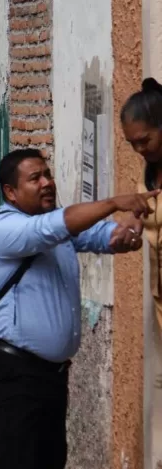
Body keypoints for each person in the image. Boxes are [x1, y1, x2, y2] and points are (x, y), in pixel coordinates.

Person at [0, 148, 151, 469]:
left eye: (48, 174)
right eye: (35, 178)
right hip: (11, 368)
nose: (47, 182)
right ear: (12, 192)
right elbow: (62, 225)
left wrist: (127, 231)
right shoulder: (9, 230)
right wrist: (115, 201)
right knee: (20, 465)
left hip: (47, 373)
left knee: (46, 461)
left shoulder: (57, 231)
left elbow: (98, 236)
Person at [122, 77, 162, 335]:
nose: (138, 149)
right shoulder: (149, 175)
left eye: (144, 140)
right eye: (131, 143)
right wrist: (136, 224)